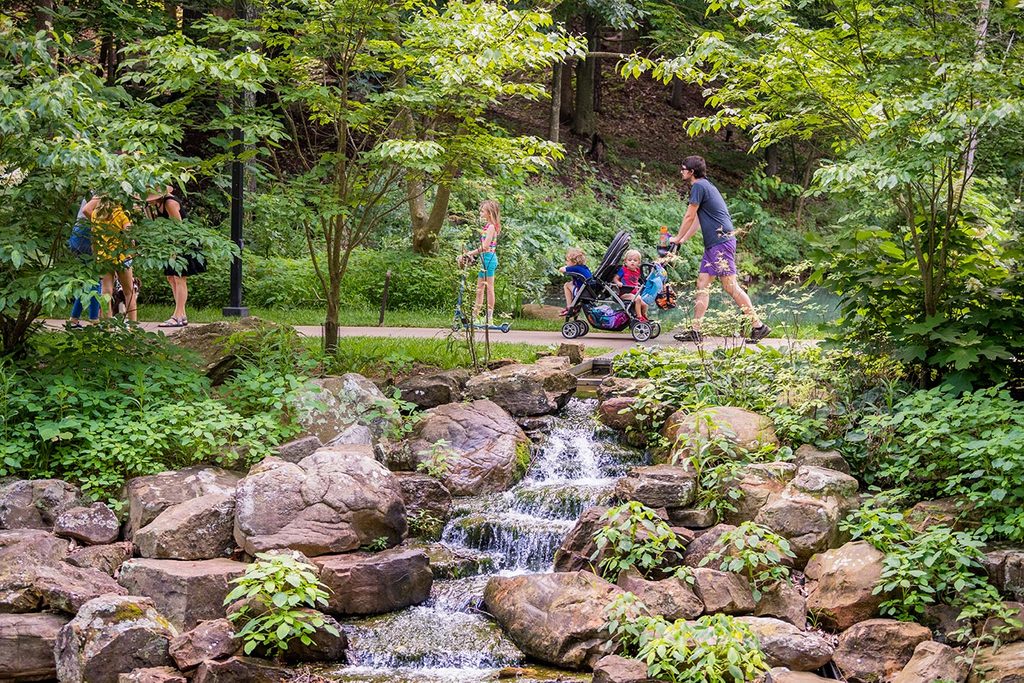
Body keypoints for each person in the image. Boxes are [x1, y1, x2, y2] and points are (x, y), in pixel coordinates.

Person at [670, 155, 770, 343]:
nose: (681, 171)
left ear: (692, 172)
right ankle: (696, 330)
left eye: (683, 168)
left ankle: (758, 326)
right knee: (702, 284)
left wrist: (675, 236)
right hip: (714, 245)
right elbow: (699, 220)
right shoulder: (706, 186)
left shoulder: (699, 186)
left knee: (730, 286)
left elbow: (689, 216)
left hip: (721, 243)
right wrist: (682, 239)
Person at [145, 186, 201, 327]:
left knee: (179, 278)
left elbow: (179, 228)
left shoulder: (169, 203)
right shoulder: (157, 204)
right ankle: (182, 315)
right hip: (171, 244)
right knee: (171, 278)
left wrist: (175, 250)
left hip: (183, 243)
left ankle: (178, 315)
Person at [82, 194, 137, 322]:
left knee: (106, 292)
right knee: (129, 292)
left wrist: (96, 255)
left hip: (103, 258)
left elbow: (94, 238)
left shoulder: (95, 214)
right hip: (122, 257)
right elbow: (130, 236)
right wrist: (132, 251)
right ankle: (133, 327)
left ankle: (108, 326)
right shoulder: (121, 214)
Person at [461, 200, 501, 325]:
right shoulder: (487, 226)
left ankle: (489, 318)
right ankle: (475, 316)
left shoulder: (491, 227)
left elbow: (485, 247)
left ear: (489, 213)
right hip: (485, 259)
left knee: (489, 288)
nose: (480, 213)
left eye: (483, 211)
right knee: (480, 288)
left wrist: (470, 253)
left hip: (489, 259)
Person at [67, 197, 101, 328]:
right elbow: (87, 210)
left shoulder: (96, 190)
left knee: (88, 280)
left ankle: (74, 319)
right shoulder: (104, 191)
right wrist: (101, 225)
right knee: (94, 279)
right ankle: (94, 320)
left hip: (80, 234)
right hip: (85, 236)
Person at [613, 249, 648, 321]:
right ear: (625, 261)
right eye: (630, 260)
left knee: (645, 305)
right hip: (624, 293)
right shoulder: (623, 270)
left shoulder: (638, 271)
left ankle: (643, 316)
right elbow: (615, 278)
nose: (632, 262)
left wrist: (637, 283)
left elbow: (635, 280)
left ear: (639, 262)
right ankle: (639, 317)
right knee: (638, 299)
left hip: (635, 293)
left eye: (635, 260)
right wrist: (618, 282)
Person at [559, 248, 592, 315]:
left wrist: (566, 267)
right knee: (571, 283)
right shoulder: (584, 267)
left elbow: (561, 269)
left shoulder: (575, 268)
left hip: (583, 293)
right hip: (590, 292)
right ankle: (574, 306)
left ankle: (569, 307)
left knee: (566, 285)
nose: (566, 262)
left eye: (567, 261)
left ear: (574, 262)